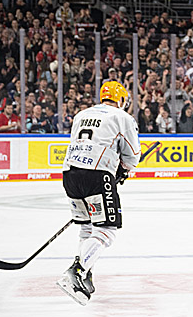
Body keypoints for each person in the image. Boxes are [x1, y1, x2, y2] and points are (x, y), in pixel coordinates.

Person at [57, 80, 141, 305]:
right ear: (121, 99)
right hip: (96, 176)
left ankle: (86, 274)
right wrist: (121, 170)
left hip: (70, 175)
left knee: (87, 227)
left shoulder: (81, 115)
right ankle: (77, 271)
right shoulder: (122, 117)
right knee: (107, 231)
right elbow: (132, 157)